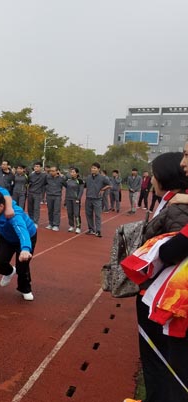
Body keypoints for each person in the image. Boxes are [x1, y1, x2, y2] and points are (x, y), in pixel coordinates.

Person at [125, 150, 188, 402]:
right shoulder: (173, 203)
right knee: (159, 357)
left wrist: (156, 250)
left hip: (164, 295)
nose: (150, 180)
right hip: (157, 291)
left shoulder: (178, 208)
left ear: (165, 177)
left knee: (161, 358)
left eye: (153, 175)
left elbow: (174, 253)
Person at [0, 190, 37, 301]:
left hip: (26, 237)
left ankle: (25, 289)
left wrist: (25, 249)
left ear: (1, 206)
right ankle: (9, 271)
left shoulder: (14, 215)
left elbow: (22, 231)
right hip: (6, 237)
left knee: (22, 266)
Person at [84, 162, 111, 237]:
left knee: (97, 215)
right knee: (88, 214)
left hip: (97, 199)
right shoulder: (88, 177)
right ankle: (91, 229)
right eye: (92, 168)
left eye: (94, 168)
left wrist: (103, 189)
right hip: (88, 198)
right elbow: (84, 185)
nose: (93, 169)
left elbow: (110, 185)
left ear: (98, 169)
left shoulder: (103, 178)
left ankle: (98, 230)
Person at [63, 167, 84, 234]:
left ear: (77, 173)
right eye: (71, 172)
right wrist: (65, 200)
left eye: (73, 172)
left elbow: (81, 191)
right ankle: (71, 225)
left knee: (76, 214)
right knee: (69, 213)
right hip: (68, 199)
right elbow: (67, 189)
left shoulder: (80, 181)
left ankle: (78, 227)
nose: (72, 173)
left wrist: (78, 198)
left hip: (75, 200)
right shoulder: (68, 181)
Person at [45, 166, 65, 231]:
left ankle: (56, 225)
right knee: (50, 210)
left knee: (56, 211)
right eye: (50, 171)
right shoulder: (47, 177)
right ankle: (50, 223)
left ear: (57, 171)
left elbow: (66, 185)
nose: (51, 172)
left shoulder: (61, 178)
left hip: (57, 196)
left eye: (53, 171)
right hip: (49, 195)